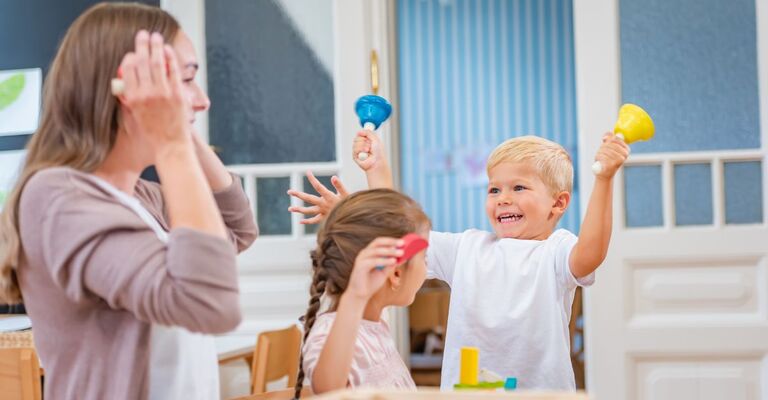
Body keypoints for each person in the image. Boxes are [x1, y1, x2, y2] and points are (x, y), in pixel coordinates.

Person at [0, 3, 257, 399]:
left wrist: (182, 136)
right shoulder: (58, 199)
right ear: (125, 91)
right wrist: (170, 141)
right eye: (185, 80)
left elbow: (236, 228)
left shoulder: (135, 196)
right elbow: (210, 303)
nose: (202, 101)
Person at [290, 130, 628, 390]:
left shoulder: (555, 250)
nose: (503, 199)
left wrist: (604, 179)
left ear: (558, 204)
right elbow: (403, 234)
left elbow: (591, 254)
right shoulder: (467, 247)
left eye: (519, 188)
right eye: (494, 190)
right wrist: (374, 177)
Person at [294, 189, 431, 398]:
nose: (427, 266)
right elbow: (329, 391)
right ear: (395, 273)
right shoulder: (330, 332)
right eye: (424, 257)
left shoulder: (373, 323)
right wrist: (355, 296)